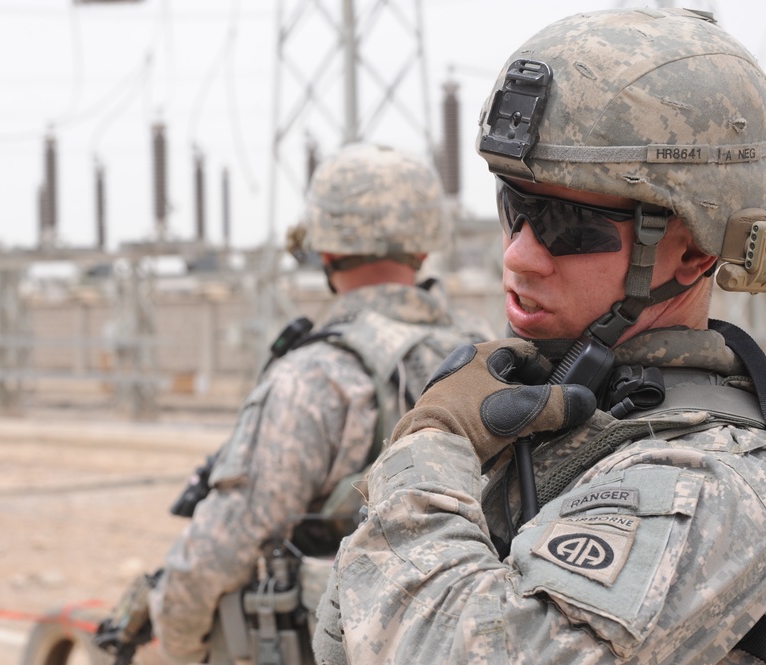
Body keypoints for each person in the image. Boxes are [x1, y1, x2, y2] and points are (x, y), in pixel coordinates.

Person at [313, 8, 766, 665]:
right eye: (515, 209)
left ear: (693, 251)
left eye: (564, 223)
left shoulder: (711, 477)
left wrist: (431, 444)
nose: (520, 255)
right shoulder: (561, 411)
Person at [146, 142, 494, 665]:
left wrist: (176, 640)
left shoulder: (315, 376)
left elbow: (221, 549)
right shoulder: (488, 354)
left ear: (324, 251)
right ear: (424, 248)